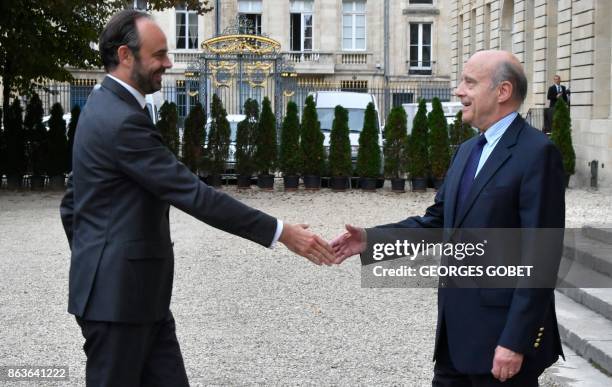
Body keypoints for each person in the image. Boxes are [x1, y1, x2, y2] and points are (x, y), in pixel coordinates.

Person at [59, 10, 335, 387]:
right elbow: (192, 194)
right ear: (126, 56)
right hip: (118, 304)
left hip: (137, 297)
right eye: (158, 55)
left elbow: (72, 203)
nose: (168, 63)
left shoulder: (105, 106)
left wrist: (93, 256)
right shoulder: (120, 119)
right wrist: (281, 232)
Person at [331, 50, 565, 386]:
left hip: (503, 344)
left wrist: (516, 340)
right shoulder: (467, 151)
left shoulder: (537, 154)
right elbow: (438, 223)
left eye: (469, 82)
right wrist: (371, 240)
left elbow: (541, 257)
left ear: (502, 92)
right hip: (455, 341)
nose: (458, 90)